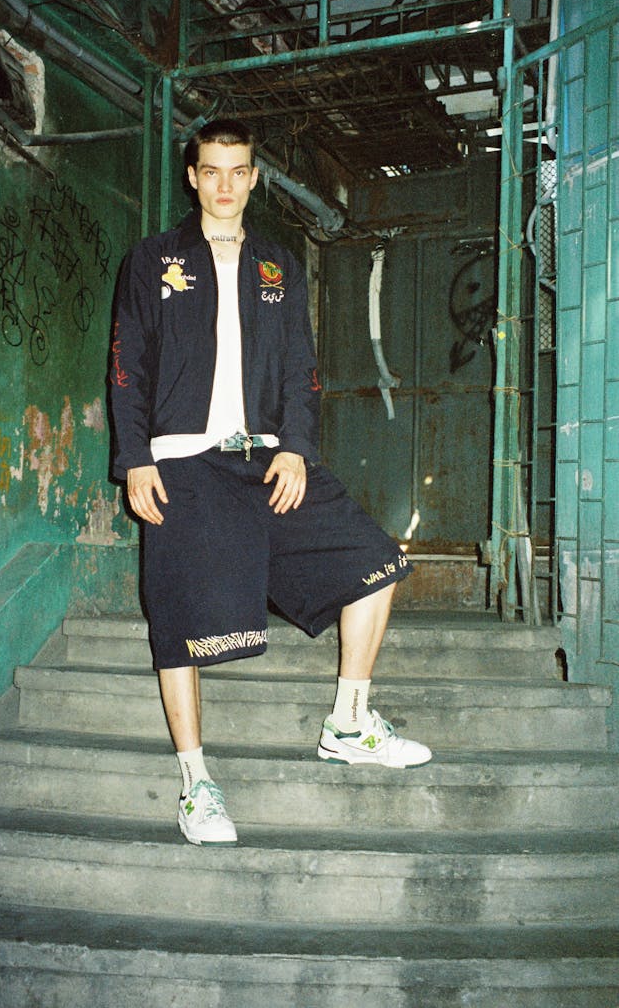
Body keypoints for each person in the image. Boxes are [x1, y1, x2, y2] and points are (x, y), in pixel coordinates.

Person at [109, 118, 431, 848]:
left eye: (239, 171)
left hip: (265, 464)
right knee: (180, 623)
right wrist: (135, 459)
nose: (225, 184)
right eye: (211, 170)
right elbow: (126, 369)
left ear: (254, 178)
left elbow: (300, 373)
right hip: (183, 464)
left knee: (375, 562)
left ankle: (350, 720)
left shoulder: (277, 265)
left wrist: (296, 449)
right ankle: (197, 782)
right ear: (192, 176)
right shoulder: (152, 260)